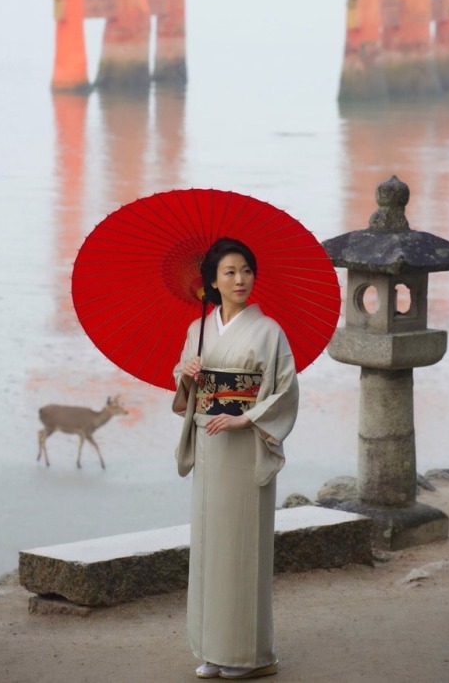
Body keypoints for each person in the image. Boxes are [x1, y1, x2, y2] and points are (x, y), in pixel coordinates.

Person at [172, 237, 299, 680]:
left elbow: (285, 389)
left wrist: (247, 420)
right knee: (209, 546)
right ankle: (211, 647)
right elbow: (187, 385)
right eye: (229, 272)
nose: (240, 279)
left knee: (242, 546)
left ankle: (252, 655)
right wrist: (187, 375)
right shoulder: (199, 329)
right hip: (209, 443)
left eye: (246, 270)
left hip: (245, 447)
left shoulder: (270, 332)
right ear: (212, 281)